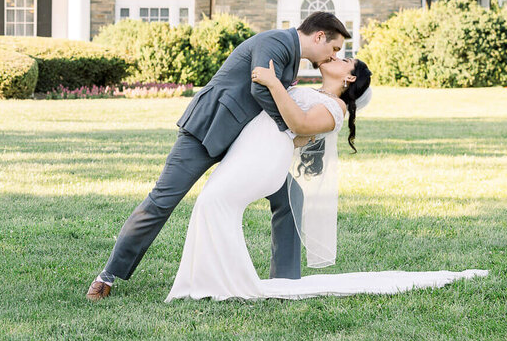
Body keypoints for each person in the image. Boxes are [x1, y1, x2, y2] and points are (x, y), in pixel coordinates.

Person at [166, 56, 486, 300]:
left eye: (344, 59)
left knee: (215, 203)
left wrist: (274, 84)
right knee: (211, 203)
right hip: (256, 157)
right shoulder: (315, 93)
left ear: (348, 77)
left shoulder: (334, 109)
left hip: (265, 165)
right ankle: (212, 278)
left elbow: (302, 126)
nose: (336, 56)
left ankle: (225, 282)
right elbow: (293, 136)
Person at [86, 12, 349, 302]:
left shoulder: (290, 58)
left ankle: (284, 281)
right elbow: (259, 88)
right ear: (320, 36)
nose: (332, 55)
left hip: (244, 145)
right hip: (207, 131)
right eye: (334, 48)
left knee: (290, 195)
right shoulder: (276, 41)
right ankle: (107, 275)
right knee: (162, 199)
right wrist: (290, 130)